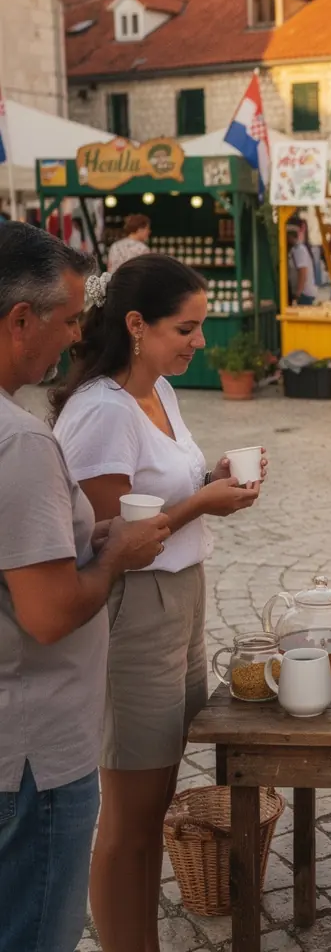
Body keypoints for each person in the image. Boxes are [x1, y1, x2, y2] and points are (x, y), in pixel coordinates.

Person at [50, 254, 266, 952]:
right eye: (187, 328)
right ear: (137, 325)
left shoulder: (158, 393)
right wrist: (201, 501)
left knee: (156, 795)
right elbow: (118, 541)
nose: (198, 343)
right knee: (131, 818)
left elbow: (161, 497)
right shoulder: (100, 412)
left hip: (182, 598)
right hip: (135, 611)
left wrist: (212, 480)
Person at [0, 222, 168, 952]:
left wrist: (85, 540)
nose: (75, 337)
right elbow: (48, 612)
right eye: (69, 319)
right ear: (18, 321)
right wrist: (117, 555)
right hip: (33, 748)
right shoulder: (21, 441)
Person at [288, 219, 318, 306]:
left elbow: (302, 272)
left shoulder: (298, 249)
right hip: (305, 294)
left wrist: (297, 294)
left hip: (304, 295)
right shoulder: (296, 249)